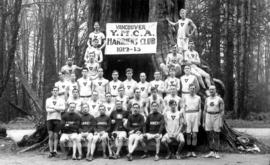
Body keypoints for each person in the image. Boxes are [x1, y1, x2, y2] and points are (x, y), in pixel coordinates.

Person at [203, 85, 224, 159]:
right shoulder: (207, 99)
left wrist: (221, 121)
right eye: (210, 90)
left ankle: (217, 152)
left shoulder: (219, 99)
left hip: (216, 116)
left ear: (215, 90)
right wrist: (203, 121)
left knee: (216, 134)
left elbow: (222, 111)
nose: (211, 91)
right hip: (208, 116)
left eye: (213, 89)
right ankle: (211, 151)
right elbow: (204, 110)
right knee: (209, 134)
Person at [182, 84, 201, 157]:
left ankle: (193, 151)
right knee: (188, 134)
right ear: (188, 89)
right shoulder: (185, 97)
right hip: (188, 115)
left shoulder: (198, 97)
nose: (192, 90)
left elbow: (200, 109)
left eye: (193, 88)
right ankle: (189, 151)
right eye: (191, 88)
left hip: (195, 114)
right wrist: (184, 119)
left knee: (194, 135)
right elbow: (183, 108)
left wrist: (199, 120)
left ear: (195, 89)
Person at [46, 87, 65, 158]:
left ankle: (55, 150)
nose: (55, 92)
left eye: (56, 91)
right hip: (49, 119)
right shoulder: (48, 100)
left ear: (58, 92)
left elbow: (63, 109)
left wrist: (53, 108)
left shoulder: (61, 100)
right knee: (50, 136)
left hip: (58, 119)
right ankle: (50, 151)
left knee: (56, 136)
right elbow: (47, 109)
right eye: (54, 90)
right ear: (52, 92)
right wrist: (57, 109)